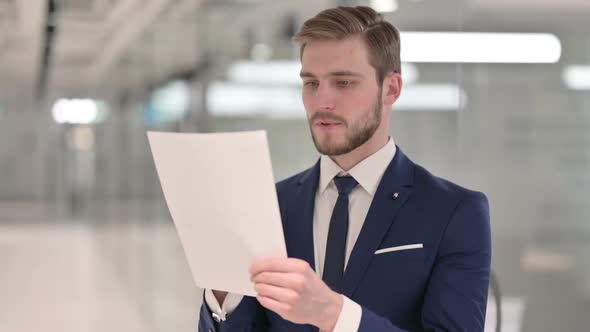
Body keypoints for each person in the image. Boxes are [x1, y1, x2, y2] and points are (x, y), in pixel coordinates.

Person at [199, 5, 491, 332]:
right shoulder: (269, 205)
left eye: (343, 82)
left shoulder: (453, 211)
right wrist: (223, 286)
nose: (322, 101)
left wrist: (335, 316)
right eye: (311, 83)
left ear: (391, 89)